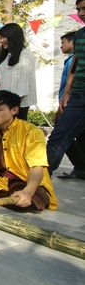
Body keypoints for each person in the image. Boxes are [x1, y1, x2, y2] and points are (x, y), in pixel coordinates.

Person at [48, 0, 85, 179]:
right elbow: (75, 65)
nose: (81, 12)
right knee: (58, 137)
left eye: (84, 8)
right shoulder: (79, 35)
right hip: (78, 96)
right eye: (78, 9)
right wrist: (67, 93)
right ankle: (39, 180)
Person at [0, 23, 37, 121]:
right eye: (1, 38)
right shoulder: (7, 56)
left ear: (13, 36)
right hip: (5, 104)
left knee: (16, 134)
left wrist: (9, 106)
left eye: (4, 37)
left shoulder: (25, 56)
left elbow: (22, 88)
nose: (2, 41)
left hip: (16, 106)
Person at [54, 32, 85, 179]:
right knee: (60, 137)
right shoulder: (72, 59)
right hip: (73, 99)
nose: (61, 46)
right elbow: (70, 78)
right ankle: (80, 166)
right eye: (78, 9)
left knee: (68, 135)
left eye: (63, 42)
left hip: (74, 99)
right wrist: (65, 96)